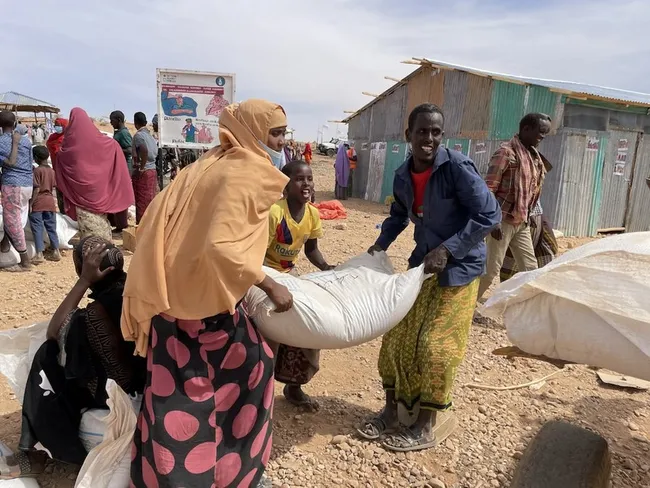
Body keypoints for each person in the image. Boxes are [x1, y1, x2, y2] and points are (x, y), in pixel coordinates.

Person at [122, 99, 294, 488]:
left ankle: (166, 477)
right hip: (205, 311)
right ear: (252, 130)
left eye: (284, 132)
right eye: (276, 133)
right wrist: (270, 284)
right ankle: (235, 472)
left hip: (170, 301)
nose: (282, 142)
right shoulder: (246, 171)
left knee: (171, 397)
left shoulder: (208, 163)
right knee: (253, 371)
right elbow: (222, 248)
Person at [358, 104, 500, 452]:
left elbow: (489, 213)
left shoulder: (456, 168)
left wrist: (449, 250)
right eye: (423, 131)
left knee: (435, 346)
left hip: (461, 266)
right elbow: (397, 216)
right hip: (423, 264)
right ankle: (392, 412)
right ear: (409, 135)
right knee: (396, 338)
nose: (430, 138)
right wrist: (378, 246)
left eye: (436, 132)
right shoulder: (403, 175)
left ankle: (426, 424)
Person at [0, 238, 146, 478]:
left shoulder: (91, 315)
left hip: (116, 394)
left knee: (46, 357)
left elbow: (53, 332)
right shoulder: (140, 295)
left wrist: (84, 281)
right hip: (149, 386)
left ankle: (34, 453)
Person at [264, 160, 333, 410]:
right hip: (265, 275)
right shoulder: (275, 213)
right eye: (299, 179)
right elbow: (258, 254)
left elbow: (312, 250)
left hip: (288, 275)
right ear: (286, 185)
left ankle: (295, 386)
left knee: (308, 326)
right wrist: (270, 284)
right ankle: (260, 394)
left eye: (310, 179)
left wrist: (326, 268)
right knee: (269, 331)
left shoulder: (313, 214)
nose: (306, 184)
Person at [477, 113, 552, 300]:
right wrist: (492, 222)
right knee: (490, 271)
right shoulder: (506, 153)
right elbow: (488, 190)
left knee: (530, 269)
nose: (542, 138)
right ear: (526, 129)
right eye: (540, 133)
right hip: (502, 222)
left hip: (521, 222)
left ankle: (521, 308)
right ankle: (465, 306)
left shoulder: (533, 156)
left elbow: (531, 192)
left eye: (545, 134)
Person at [55, 108, 134, 241]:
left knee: (88, 229)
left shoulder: (67, 147)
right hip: (100, 191)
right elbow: (114, 149)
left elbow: (60, 161)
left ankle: (91, 246)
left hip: (80, 196)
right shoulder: (106, 143)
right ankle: (104, 245)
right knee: (101, 223)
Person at [0, 111, 34, 271]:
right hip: (27, 184)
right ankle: (5, 246)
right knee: (19, 218)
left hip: (12, 184)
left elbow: (9, 163)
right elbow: (29, 164)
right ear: (14, 124)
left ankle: (25, 261)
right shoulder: (26, 142)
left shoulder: (1, 142)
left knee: (12, 221)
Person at [29, 145, 61, 264]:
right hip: (50, 201)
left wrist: (31, 203)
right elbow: (53, 187)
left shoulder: (37, 171)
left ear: (36, 158)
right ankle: (56, 251)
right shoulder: (52, 171)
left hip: (39, 202)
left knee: (37, 228)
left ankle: (39, 254)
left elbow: (36, 189)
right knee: (51, 228)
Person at [131, 112, 159, 224]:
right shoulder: (151, 137)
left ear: (135, 123)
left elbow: (144, 150)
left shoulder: (139, 136)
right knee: (149, 199)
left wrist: (141, 168)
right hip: (152, 170)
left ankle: (142, 226)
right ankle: (149, 225)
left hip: (144, 171)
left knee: (141, 201)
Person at [46, 117, 68, 212]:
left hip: (66, 170)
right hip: (56, 168)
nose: (57, 127)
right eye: (56, 125)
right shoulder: (52, 137)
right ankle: (63, 211)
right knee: (59, 190)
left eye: (59, 126)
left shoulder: (68, 137)